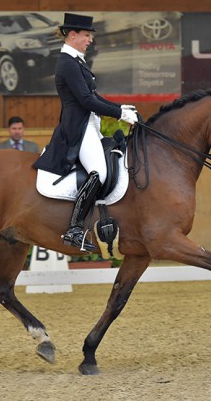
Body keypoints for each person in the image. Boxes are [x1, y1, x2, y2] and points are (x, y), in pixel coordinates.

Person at [33, 13, 138, 251]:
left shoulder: (77, 61)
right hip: (78, 129)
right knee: (98, 173)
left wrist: (120, 107)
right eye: (87, 35)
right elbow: (85, 100)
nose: (90, 40)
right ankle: (74, 229)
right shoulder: (67, 63)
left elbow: (93, 97)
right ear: (73, 35)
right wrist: (119, 114)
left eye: (90, 35)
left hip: (90, 125)